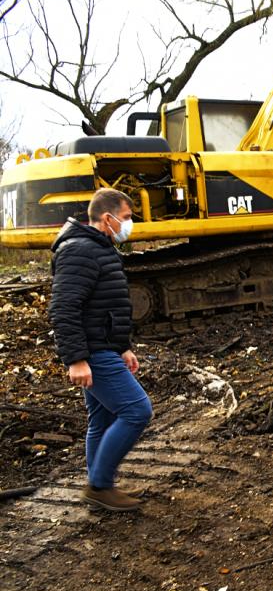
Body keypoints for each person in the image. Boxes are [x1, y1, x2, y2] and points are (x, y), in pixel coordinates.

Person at [49, 188, 152, 511]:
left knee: (102, 417)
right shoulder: (80, 250)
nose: (129, 224)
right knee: (137, 410)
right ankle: (100, 486)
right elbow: (64, 308)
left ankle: (99, 483)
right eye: (126, 218)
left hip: (102, 346)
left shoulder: (98, 247)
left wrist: (123, 347)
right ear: (107, 218)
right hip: (92, 351)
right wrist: (76, 358)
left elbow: (105, 304)